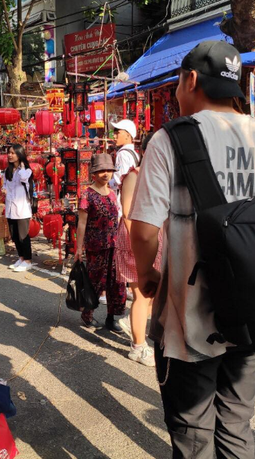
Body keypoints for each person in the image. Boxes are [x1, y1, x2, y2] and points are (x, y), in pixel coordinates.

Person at [129, 40, 255, 458]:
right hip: (252, 314)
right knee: (236, 419)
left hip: (188, 319)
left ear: (190, 79)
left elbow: (142, 231)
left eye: (178, 81)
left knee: (193, 432)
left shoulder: (170, 140)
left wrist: (147, 275)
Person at [116, 133, 161, 366]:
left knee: (151, 294)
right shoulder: (134, 175)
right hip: (136, 240)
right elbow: (127, 214)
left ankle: (136, 325)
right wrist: (137, 246)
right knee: (142, 294)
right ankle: (138, 346)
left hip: (154, 238)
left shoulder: (159, 175)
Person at [75, 153, 127, 332]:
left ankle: (111, 318)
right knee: (95, 282)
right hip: (95, 247)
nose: (106, 174)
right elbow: (81, 223)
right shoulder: (87, 195)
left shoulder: (113, 193)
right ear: (94, 173)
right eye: (102, 170)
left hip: (114, 246)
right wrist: (78, 248)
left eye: (109, 170)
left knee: (115, 283)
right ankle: (87, 315)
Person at [4, 144, 33, 273]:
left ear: (19, 154)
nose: (9, 155)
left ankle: (28, 261)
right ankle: (21, 258)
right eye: (8, 153)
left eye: (12, 153)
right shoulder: (8, 171)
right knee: (15, 236)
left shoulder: (26, 170)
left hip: (22, 209)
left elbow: (23, 177)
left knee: (23, 236)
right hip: (10, 208)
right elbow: (5, 185)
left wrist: (20, 165)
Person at [109, 119, 140, 214]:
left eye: (117, 133)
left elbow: (120, 179)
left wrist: (107, 183)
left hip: (123, 198)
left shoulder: (122, 154)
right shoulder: (134, 153)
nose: (114, 136)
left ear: (128, 135)